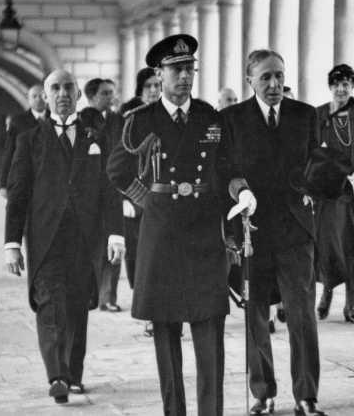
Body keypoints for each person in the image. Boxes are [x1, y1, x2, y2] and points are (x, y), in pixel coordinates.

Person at [107, 34, 256, 416]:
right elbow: (117, 170)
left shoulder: (211, 117)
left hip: (205, 233)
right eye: (176, 70)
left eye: (190, 69)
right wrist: (149, 203)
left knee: (210, 332)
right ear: (159, 74)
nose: (185, 76)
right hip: (161, 236)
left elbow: (229, 167)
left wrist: (240, 193)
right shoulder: (139, 120)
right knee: (166, 333)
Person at [3, 69, 124, 403]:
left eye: (68, 87)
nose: (62, 93)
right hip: (46, 238)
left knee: (76, 306)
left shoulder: (96, 136)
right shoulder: (30, 139)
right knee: (50, 305)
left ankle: (73, 373)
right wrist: (12, 243)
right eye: (54, 88)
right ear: (45, 94)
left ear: (77, 94)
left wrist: (116, 234)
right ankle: (57, 375)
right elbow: (18, 192)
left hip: (85, 239)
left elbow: (109, 189)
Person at [222, 49, 326, 416]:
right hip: (253, 232)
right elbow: (227, 171)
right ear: (249, 80)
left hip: (296, 230)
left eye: (279, 76)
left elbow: (317, 162)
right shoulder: (232, 119)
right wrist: (240, 191)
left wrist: (318, 187)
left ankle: (306, 395)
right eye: (265, 77)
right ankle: (263, 393)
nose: (274, 84)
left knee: (301, 315)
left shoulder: (304, 115)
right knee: (255, 317)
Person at [313, 64, 354, 324]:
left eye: (346, 84)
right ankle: (326, 291)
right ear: (330, 86)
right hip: (329, 192)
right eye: (337, 84)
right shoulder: (319, 115)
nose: (341, 89)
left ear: (352, 86)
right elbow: (313, 151)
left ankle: (351, 304)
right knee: (330, 243)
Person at [118, 67, 162, 337]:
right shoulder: (131, 119)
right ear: (139, 89)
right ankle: (148, 310)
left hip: (168, 203)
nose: (155, 90)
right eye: (149, 86)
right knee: (140, 260)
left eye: (158, 85)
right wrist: (133, 199)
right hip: (138, 201)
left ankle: (160, 315)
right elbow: (117, 167)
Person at [79, 78, 126, 313]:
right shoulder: (82, 120)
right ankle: (93, 292)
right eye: (105, 93)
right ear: (92, 97)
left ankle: (109, 297)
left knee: (116, 238)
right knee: (96, 243)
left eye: (111, 93)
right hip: (93, 190)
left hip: (115, 185)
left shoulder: (119, 119)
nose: (110, 97)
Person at [0, 83, 49, 198]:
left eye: (42, 96)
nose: (38, 99)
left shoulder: (55, 119)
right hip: (25, 178)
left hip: (50, 179)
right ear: (28, 99)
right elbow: (9, 152)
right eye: (34, 96)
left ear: (47, 98)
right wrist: (4, 184)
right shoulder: (18, 121)